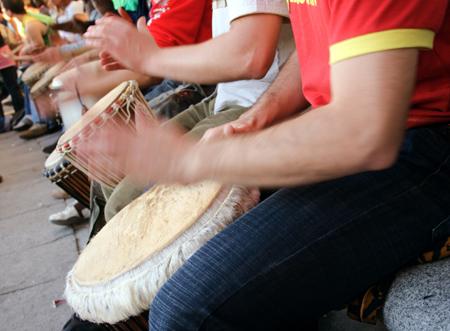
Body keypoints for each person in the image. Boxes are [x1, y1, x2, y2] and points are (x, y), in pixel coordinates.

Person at [84, 0, 450, 329]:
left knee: (183, 313)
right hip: (366, 130)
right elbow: (323, 45)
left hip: (426, 143)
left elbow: (362, 131)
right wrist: (259, 117)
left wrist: (190, 159)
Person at [0, 33, 24, 132]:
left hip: (4, 56)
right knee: (13, 87)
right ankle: (20, 114)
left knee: (13, 88)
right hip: (4, 56)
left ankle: (2, 123)